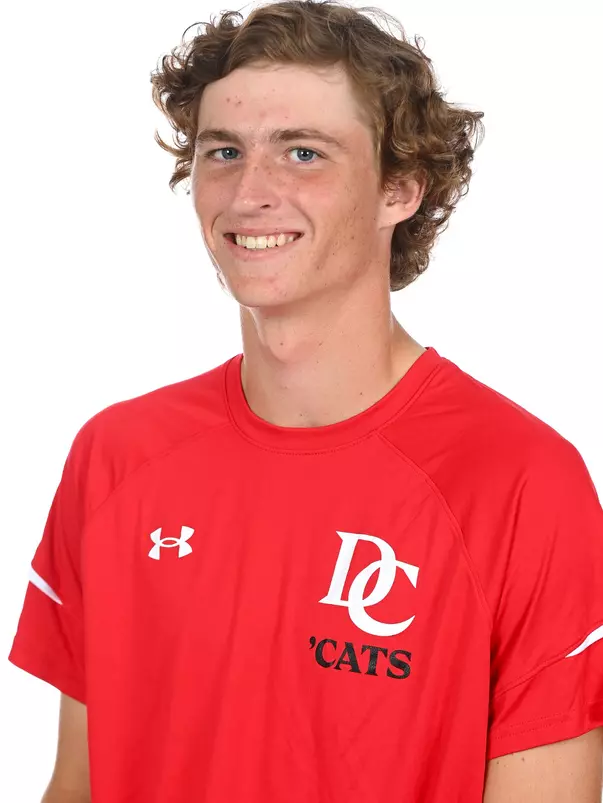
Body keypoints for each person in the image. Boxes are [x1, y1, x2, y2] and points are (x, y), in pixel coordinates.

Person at [8, 1, 603, 801]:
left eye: (302, 152)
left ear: (399, 189)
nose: (249, 191)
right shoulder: (116, 456)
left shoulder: (520, 481)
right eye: (224, 151)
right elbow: (76, 783)